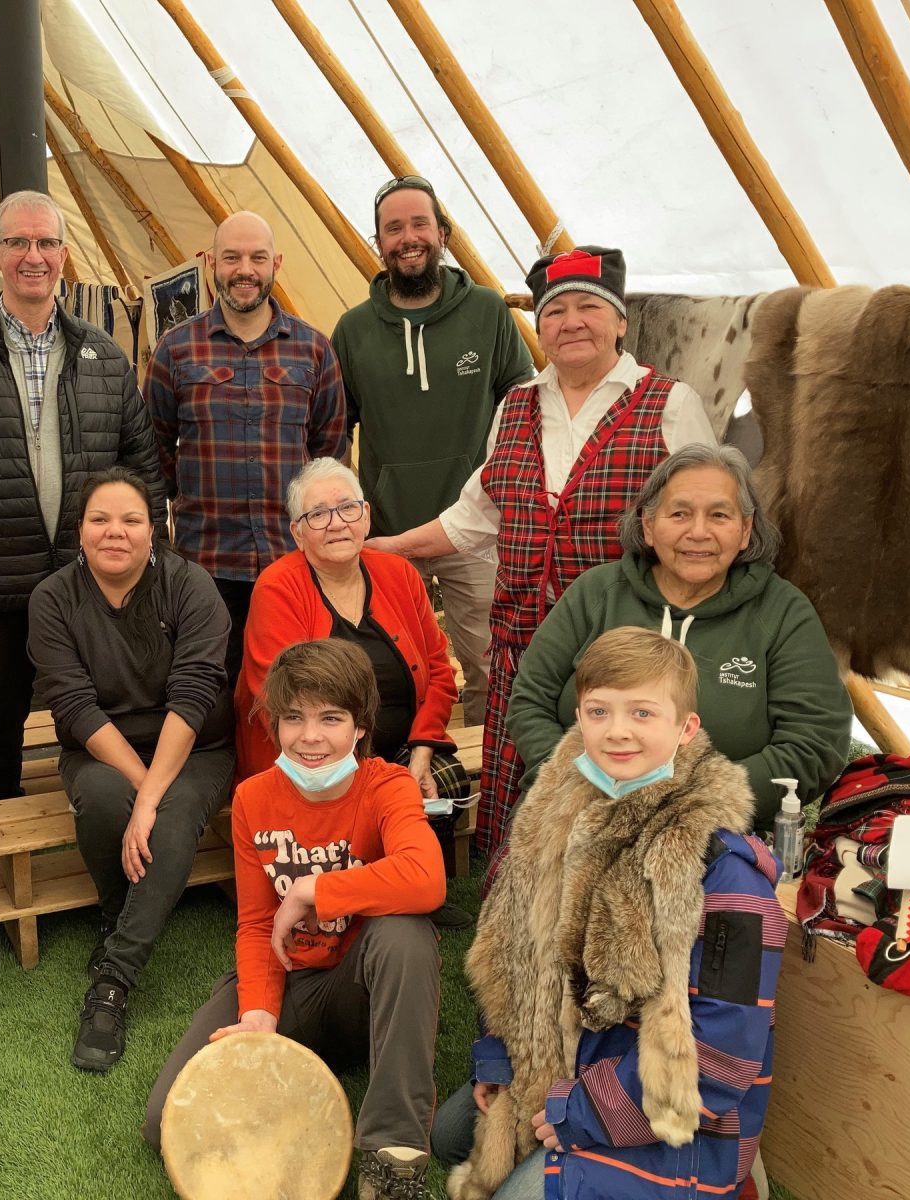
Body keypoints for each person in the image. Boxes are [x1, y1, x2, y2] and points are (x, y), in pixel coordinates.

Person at [368, 245, 716, 863]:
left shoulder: (670, 405)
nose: (571, 322)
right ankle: (519, 907)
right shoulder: (518, 406)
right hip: (524, 644)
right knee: (526, 798)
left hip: (625, 648)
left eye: (589, 307)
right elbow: (473, 518)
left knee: (616, 801)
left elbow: (706, 530)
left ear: (620, 322)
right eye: (555, 311)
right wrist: (384, 548)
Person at [437, 628, 781, 1200]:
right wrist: (501, 1056)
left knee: (513, 1194)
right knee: (448, 1135)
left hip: (658, 1104)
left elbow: (721, 1059)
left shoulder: (726, 876)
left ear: (686, 728)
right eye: (600, 711)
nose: (618, 731)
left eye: (643, 712)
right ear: (579, 717)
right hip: (563, 1063)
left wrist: (578, 1111)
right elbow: (515, 954)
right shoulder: (555, 817)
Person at [144, 640, 446, 1200]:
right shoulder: (254, 798)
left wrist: (315, 889)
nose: (310, 737)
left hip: (363, 989)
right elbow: (257, 924)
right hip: (289, 988)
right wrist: (259, 1013)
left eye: (330, 718)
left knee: (404, 934)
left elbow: (427, 879)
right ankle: (287, 1057)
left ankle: (393, 1155)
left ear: (359, 726)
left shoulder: (387, 786)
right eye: (293, 719)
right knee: (162, 1120)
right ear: (275, 726)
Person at [0, 189, 165, 803]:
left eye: (46, 242)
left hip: (95, 579)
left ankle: (115, 813)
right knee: (1, 716)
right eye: (19, 242)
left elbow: (142, 470)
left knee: (110, 704)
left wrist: (145, 560)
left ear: (64, 255)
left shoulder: (104, 357)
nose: (34, 255)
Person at [507, 443, 852, 831]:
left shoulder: (783, 612)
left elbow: (814, 742)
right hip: (576, 815)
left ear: (745, 530)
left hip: (718, 832)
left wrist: (691, 803)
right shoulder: (596, 594)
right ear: (649, 526)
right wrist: (579, 784)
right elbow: (530, 700)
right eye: (680, 513)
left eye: (719, 515)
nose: (699, 532)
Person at [27, 468, 234, 1073]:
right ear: (80, 529)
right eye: (100, 519)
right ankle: (122, 913)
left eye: (131, 519)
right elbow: (73, 704)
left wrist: (156, 798)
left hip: (194, 744)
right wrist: (144, 791)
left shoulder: (189, 586)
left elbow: (194, 695)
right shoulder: (53, 598)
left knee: (168, 821)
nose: (115, 532)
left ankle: (113, 977)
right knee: (104, 800)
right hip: (100, 747)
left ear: (156, 529)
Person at [332, 174, 534, 729]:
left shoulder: (489, 313)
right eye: (393, 228)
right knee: (395, 670)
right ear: (379, 243)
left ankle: (485, 778)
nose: (408, 237)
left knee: (492, 665)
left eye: (419, 223)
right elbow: (331, 434)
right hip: (390, 533)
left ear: (443, 232)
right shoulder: (352, 331)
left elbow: (521, 409)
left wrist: (502, 492)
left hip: (473, 528)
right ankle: (408, 779)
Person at [144, 211, 347, 690]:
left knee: (296, 691)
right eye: (232, 257)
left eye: (257, 257)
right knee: (211, 692)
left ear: (275, 263)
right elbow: (151, 452)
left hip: (293, 559)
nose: (245, 270)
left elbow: (329, 454)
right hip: (205, 565)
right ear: (212, 262)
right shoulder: (176, 348)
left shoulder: (314, 349)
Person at [234, 458, 458, 796]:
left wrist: (422, 750)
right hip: (313, 760)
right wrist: (367, 778)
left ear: (366, 516)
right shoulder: (277, 588)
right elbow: (278, 701)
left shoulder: (399, 573)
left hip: (405, 748)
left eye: (347, 508)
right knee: (377, 804)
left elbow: (440, 670)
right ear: (298, 532)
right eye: (318, 514)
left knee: (445, 782)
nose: (336, 523)